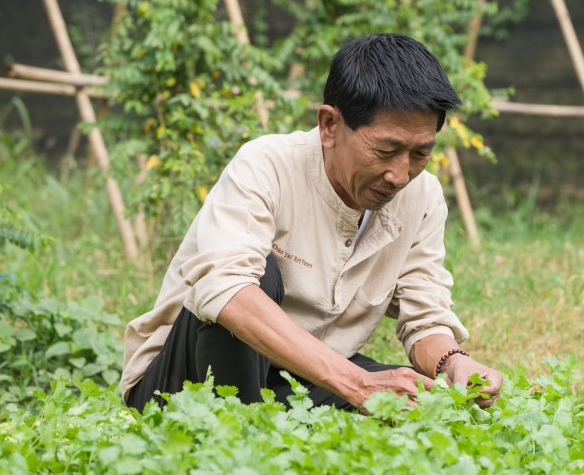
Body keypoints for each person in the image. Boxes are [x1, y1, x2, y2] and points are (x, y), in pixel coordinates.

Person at [122, 33, 503, 413]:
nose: (400, 175)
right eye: (386, 150)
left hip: (305, 376)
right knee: (254, 278)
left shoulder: (422, 197)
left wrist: (453, 363)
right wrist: (356, 383)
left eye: (420, 153)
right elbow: (224, 289)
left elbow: (424, 316)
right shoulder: (265, 165)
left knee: (426, 403)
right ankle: (240, 430)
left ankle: (277, 424)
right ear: (329, 125)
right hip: (179, 383)